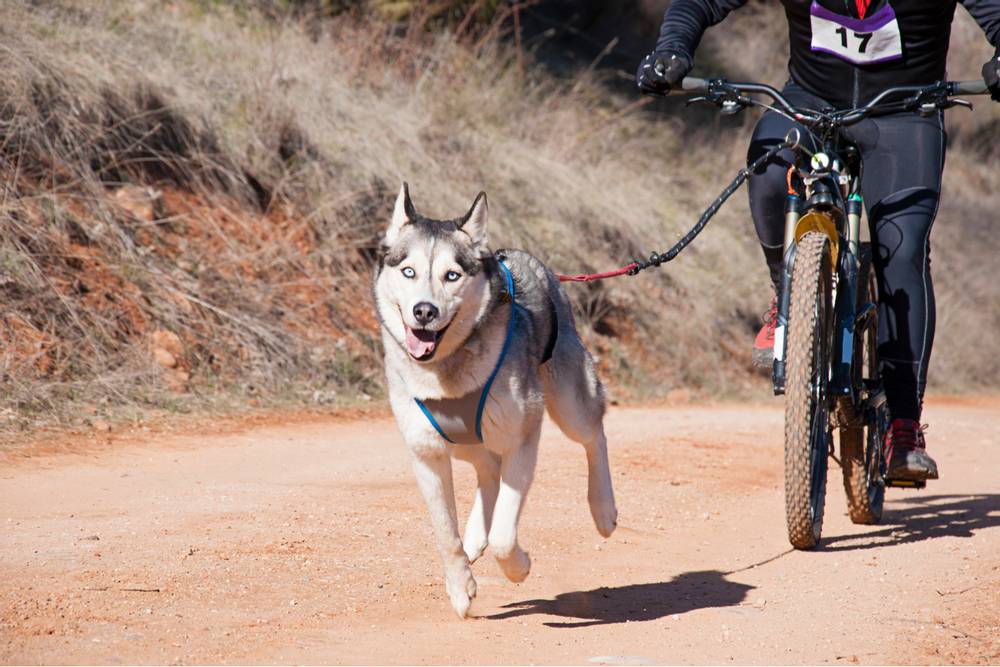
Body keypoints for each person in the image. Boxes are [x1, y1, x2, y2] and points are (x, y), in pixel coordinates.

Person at [636, 0, 1000, 483]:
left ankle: (904, 425)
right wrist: (672, 50)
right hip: (809, 102)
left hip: (907, 112)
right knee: (768, 172)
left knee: (903, 249)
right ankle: (787, 295)